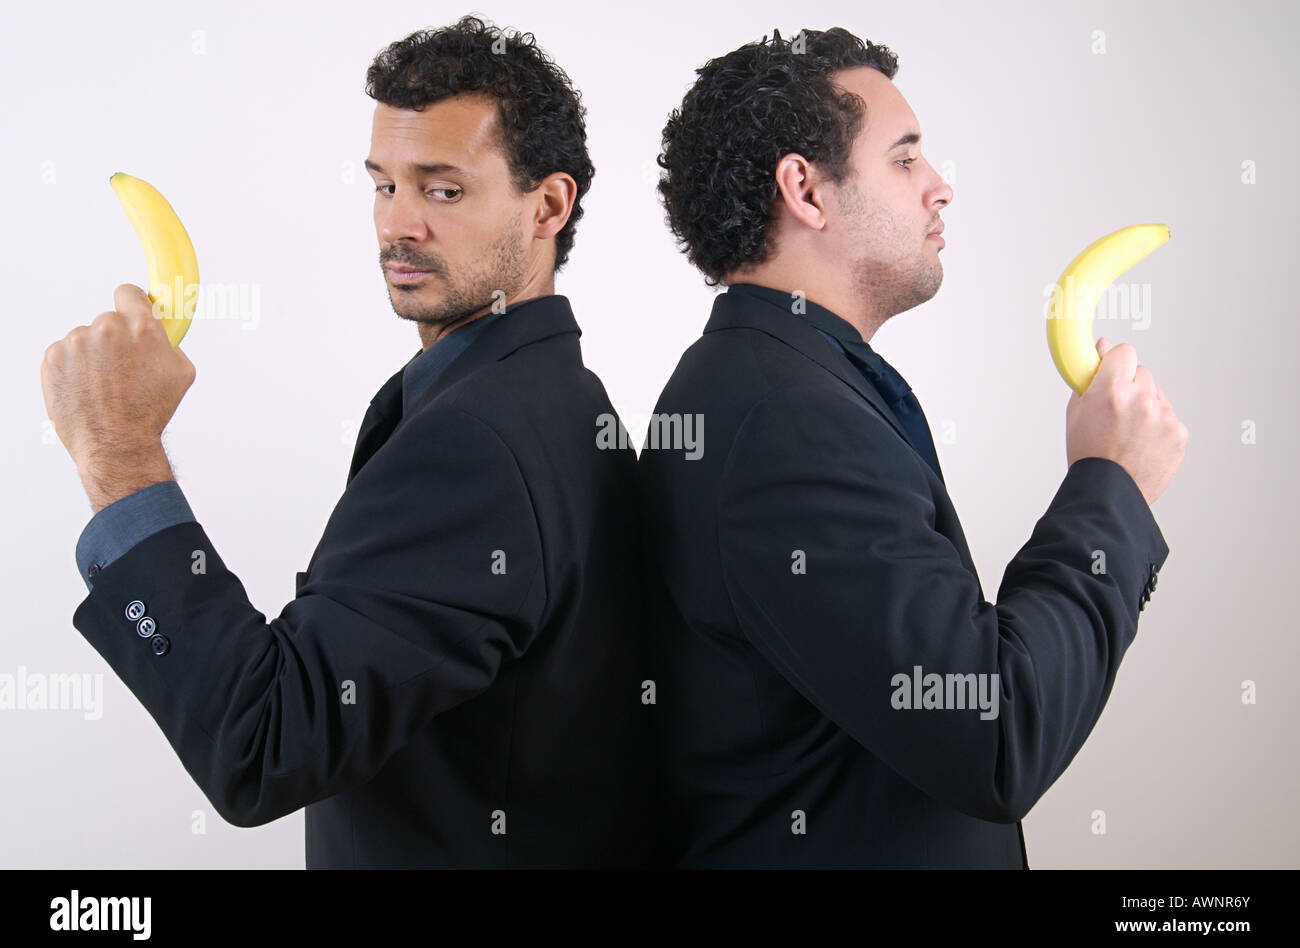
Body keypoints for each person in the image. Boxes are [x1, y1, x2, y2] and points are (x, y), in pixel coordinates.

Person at [40, 16, 655, 868]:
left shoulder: (479, 443)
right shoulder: (546, 399)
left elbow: (261, 744)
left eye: (442, 191)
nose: (399, 226)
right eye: (383, 185)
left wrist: (119, 455)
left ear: (547, 205)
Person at [639, 26, 1188, 867]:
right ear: (806, 191)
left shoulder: (779, 384)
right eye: (904, 159)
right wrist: (1108, 488)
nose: (940, 187)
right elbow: (991, 734)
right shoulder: (786, 421)